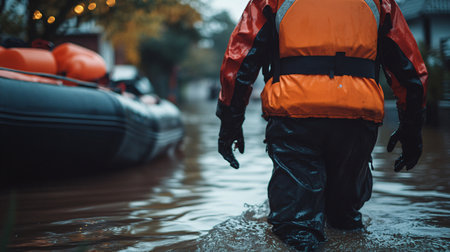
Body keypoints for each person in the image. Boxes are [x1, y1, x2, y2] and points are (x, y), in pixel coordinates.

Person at [216, 0, 428, 250]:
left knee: (297, 226)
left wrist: (230, 120)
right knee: (345, 220)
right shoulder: (382, 3)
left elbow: (240, 58)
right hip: (357, 117)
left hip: (294, 116)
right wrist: (412, 128)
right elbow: (410, 69)